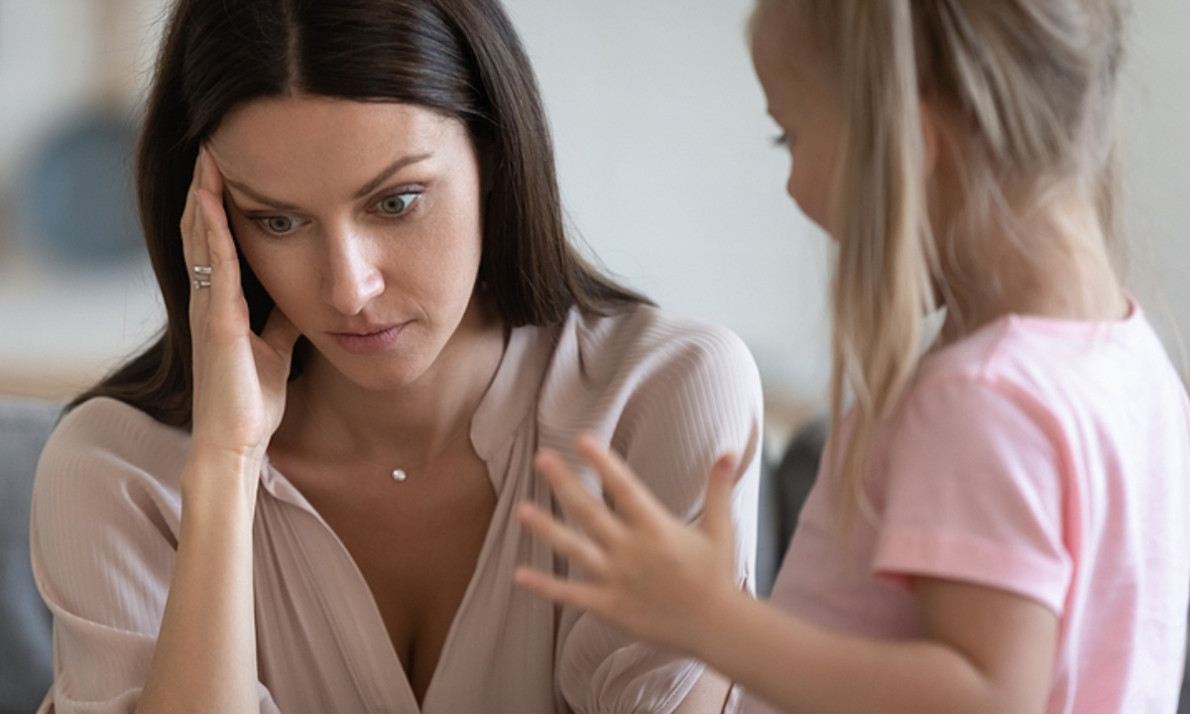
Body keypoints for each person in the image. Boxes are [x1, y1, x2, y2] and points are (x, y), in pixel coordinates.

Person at [28, 1, 764, 712]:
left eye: (396, 202)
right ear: (209, 222)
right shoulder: (113, 469)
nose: (349, 288)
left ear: (496, 157)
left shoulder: (667, 395)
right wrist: (225, 463)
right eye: (278, 220)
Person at [514, 1, 1190, 713]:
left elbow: (985, 696)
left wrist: (714, 622)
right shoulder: (1139, 368)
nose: (793, 186)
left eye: (791, 136)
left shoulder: (979, 400)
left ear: (909, 139)